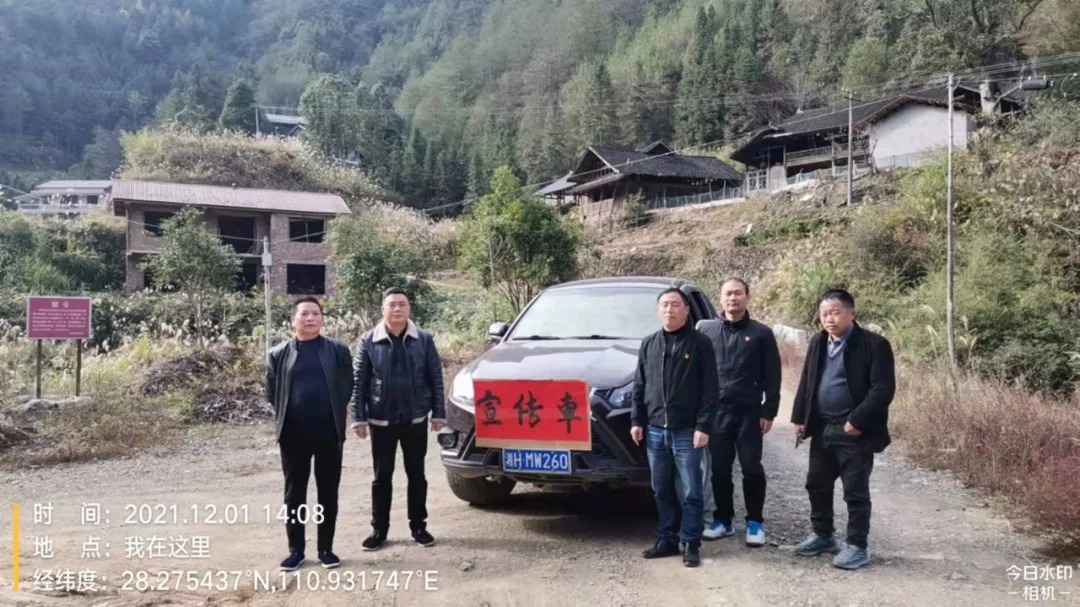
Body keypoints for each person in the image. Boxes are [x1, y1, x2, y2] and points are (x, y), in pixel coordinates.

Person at [791, 288, 895, 570]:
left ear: (852, 313)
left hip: (854, 433)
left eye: (835, 313)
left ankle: (857, 546)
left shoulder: (874, 345)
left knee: (855, 492)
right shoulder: (818, 342)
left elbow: (882, 389)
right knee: (817, 484)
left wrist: (857, 421)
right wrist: (799, 417)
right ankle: (823, 535)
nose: (829, 319)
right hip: (822, 428)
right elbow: (807, 381)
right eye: (824, 314)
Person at [351, 287, 446, 551]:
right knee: (382, 477)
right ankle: (379, 530)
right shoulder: (369, 340)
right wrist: (359, 417)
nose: (397, 309)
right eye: (391, 304)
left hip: (415, 419)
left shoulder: (424, 339)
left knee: (417, 475)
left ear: (409, 308)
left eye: (402, 304)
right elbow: (359, 381)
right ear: (383, 310)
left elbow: (435, 377)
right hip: (382, 421)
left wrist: (438, 413)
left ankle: (419, 527)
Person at [631, 287, 720, 568]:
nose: (669, 310)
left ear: (686, 310)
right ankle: (667, 538)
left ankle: (691, 542)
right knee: (660, 488)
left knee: (692, 490)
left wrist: (703, 425)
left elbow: (710, 389)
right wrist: (637, 420)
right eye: (665, 305)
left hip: (687, 431)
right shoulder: (649, 344)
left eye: (675, 305)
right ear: (658, 310)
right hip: (655, 430)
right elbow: (639, 385)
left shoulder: (700, 343)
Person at [266, 296, 356, 571]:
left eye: (316, 313)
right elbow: (272, 392)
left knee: (328, 491)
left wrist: (330, 413)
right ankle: (296, 551)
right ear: (292, 321)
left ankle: (326, 549)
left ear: (322, 319)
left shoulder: (338, 351)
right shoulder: (278, 354)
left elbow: (347, 386)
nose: (310, 318)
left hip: (329, 432)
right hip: (293, 434)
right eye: (304, 314)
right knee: (294, 494)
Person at [697, 278, 781, 547]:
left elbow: (773, 375)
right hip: (717, 413)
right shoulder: (705, 330)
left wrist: (769, 411)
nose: (732, 298)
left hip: (749, 413)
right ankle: (723, 520)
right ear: (720, 298)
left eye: (737, 293)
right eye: (728, 294)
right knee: (720, 470)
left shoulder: (761, 333)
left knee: (751, 468)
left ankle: (755, 522)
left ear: (747, 296)